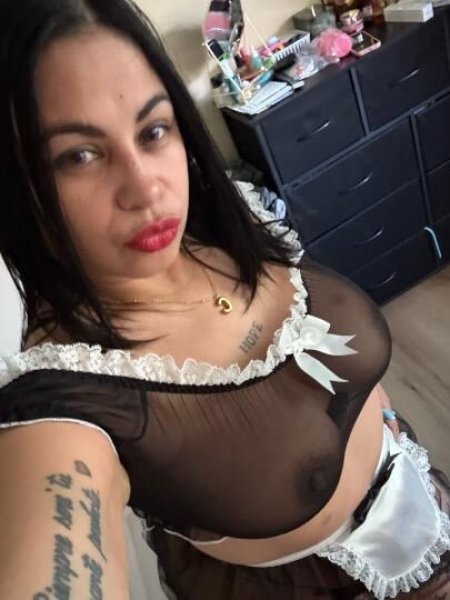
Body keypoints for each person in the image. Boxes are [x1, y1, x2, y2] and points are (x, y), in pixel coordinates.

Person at [0, 0, 448, 598]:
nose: (147, 188)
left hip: (416, 493)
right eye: (78, 156)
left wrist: (384, 422)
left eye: (153, 131)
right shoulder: (69, 392)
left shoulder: (229, 221)